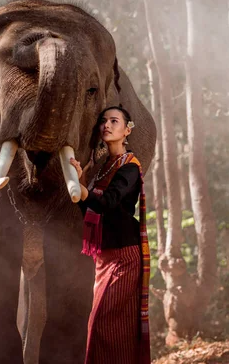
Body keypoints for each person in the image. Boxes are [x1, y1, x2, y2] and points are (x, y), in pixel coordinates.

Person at [70, 106, 151, 364]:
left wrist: (84, 190)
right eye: (104, 121)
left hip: (125, 256)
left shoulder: (129, 167)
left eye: (114, 121)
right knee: (116, 327)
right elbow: (91, 209)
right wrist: (81, 184)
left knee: (103, 323)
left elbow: (109, 202)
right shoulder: (106, 166)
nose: (107, 125)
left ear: (127, 130)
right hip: (105, 256)